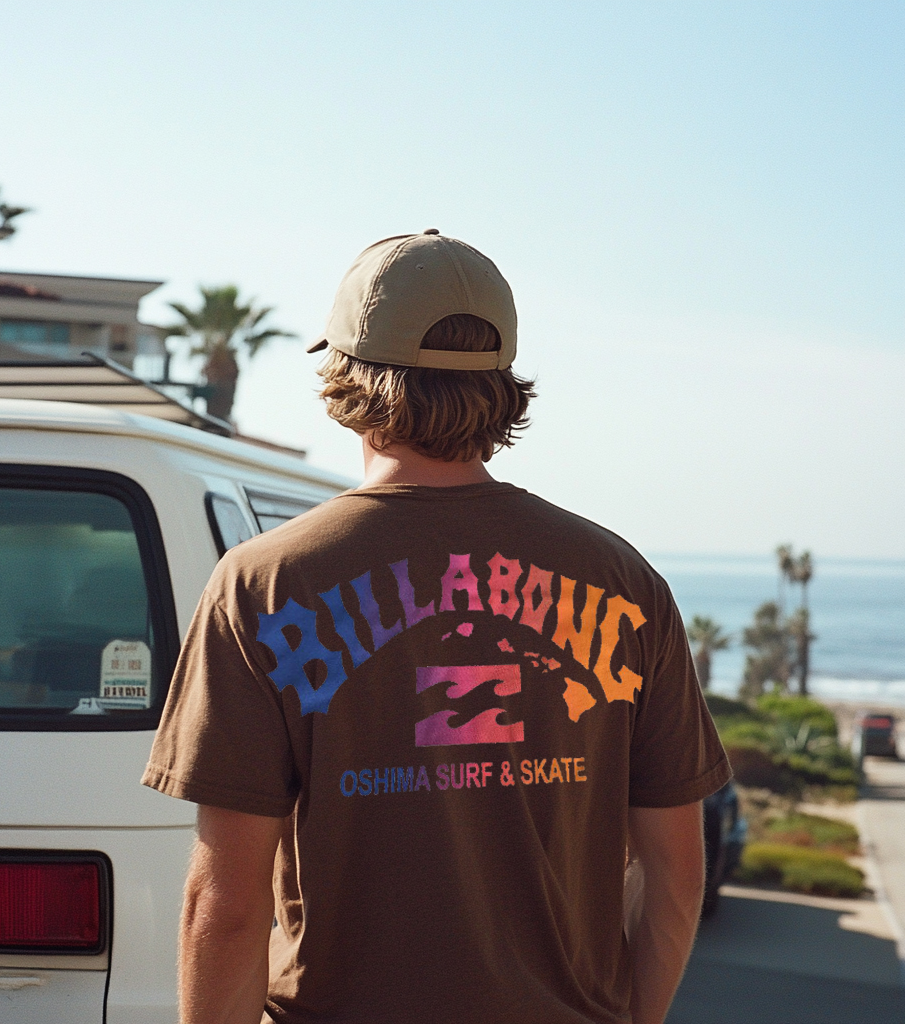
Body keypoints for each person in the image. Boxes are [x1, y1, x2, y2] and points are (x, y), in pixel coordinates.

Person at [143, 230, 731, 1024]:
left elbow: (226, 903)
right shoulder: (624, 582)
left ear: (347, 373)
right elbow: (676, 877)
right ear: (500, 382)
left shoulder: (265, 583)